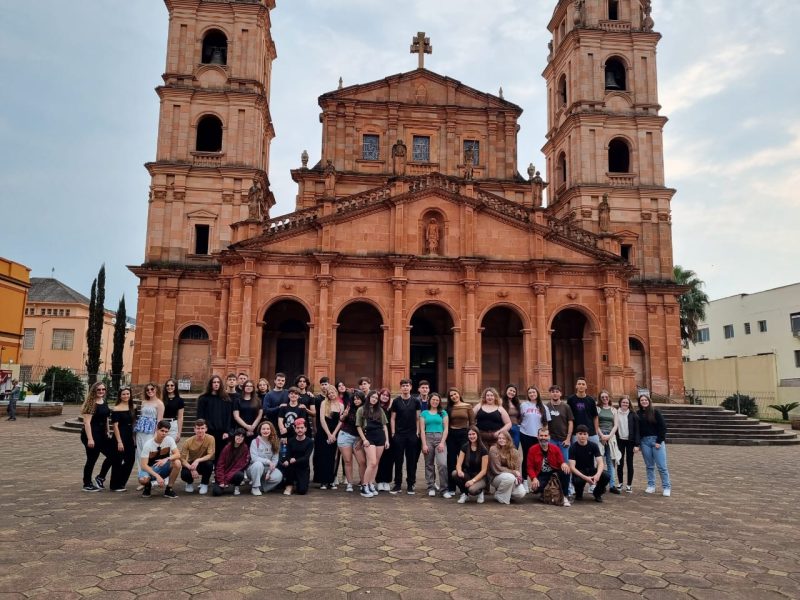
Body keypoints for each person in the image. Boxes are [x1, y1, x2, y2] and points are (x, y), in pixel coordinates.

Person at [79, 382, 114, 492]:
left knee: (113, 455)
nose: (101, 391)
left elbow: (106, 419)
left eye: (103, 389)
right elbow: (87, 423)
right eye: (98, 389)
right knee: (92, 459)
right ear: (94, 390)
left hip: (102, 434)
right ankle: (87, 484)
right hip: (91, 435)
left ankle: (100, 477)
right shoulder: (90, 404)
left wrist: (108, 431)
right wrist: (90, 439)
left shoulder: (104, 402)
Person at [356, 390, 390, 498]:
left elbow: (384, 426)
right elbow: (358, 426)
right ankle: (364, 486)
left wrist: (387, 440)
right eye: (373, 397)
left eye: (376, 398)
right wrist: (364, 439)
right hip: (368, 437)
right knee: (372, 462)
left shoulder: (380, 410)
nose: (374, 399)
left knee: (376, 463)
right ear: (369, 397)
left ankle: (371, 484)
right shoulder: (361, 409)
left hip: (380, 437)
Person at [390, 378, 421, 495]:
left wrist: (417, 432)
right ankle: (397, 484)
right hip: (399, 434)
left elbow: (418, 418)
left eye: (407, 385)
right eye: (403, 385)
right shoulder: (396, 401)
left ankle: (410, 484)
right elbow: (393, 418)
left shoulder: (416, 401)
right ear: (400, 388)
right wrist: (393, 432)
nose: (405, 387)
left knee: (411, 460)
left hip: (412, 434)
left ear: (411, 387)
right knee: (398, 460)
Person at [636, 394, 671, 496]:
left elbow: (663, 427)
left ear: (649, 401)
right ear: (639, 402)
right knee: (649, 466)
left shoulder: (655, 412)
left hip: (656, 441)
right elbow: (638, 429)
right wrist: (638, 444)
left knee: (662, 466)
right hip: (644, 442)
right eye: (642, 400)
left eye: (645, 400)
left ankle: (666, 487)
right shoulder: (637, 414)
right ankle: (651, 485)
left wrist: (659, 441)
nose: (644, 401)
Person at [526, 428, 572, 507]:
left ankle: (564, 496)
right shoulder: (532, 449)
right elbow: (530, 467)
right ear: (537, 437)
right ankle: (543, 493)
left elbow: (561, 461)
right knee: (535, 488)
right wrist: (533, 478)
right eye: (541, 436)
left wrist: (563, 464)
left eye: (545, 436)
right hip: (541, 475)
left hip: (554, 474)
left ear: (549, 437)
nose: (543, 438)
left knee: (566, 470)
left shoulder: (555, 448)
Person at [138, 419, 181, 498]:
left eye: (166, 431)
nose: (164, 433)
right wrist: (157, 476)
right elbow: (143, 465)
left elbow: (178, 454)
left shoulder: (170, 440)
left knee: (177, 462)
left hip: (163, 467)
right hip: (150, 469)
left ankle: (169, 489)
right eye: (162, 431)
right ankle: (147, 487)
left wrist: (167, 459)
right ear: (156, 430)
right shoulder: (148, 444)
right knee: (143, 480)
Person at [445, 388, 475, 499]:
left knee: (464, 462)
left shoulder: (467, 406)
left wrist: (471, 436)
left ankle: (464, 487)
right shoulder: (448, 408)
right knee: (451, 460)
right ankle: (451, 487)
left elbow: (472, 423)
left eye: (455, 394)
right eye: (451, 395)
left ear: (459, 394)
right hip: (452, 435)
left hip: (464, 434)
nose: (454, 396)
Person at [518, 386, 550, 488]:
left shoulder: (544, 407)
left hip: (538, 437)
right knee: (527, 457)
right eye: (530, 393)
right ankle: (524, 481)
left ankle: (536, 480)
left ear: (537, 393)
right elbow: (520, 419)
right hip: (525, 434)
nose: (532, 394)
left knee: (538, 458)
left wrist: (545, 435)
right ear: (528, 395)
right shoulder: (524, 405)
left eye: (534, 392)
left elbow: (546, 423)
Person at [569, 424, 610, 502]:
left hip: (591, 470)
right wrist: (585, 478)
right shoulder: (573, 448)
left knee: (606, 476)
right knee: (578, 481)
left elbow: (600, 462)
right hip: (579, 472)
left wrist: (597, 475)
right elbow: (572, 467)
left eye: (585, 434)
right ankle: (579, 493)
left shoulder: (593, 446)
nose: (582, 436)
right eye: (580, 434)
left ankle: (597, 493)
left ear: (588, 435)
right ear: (576, 435)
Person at [196, 375, 233, 459]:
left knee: (220, 455)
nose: (216, 384)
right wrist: (202, 430)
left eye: (218, 382)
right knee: (206, 455)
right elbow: (200, 416)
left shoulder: (226, 399)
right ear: (210, 384)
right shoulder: (203, 398)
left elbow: (228, 417)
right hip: (208, 431)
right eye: (214, 382)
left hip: (221, 432)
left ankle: (218, 471)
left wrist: (226, 431)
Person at [420, 392, 448, 497]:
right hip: (428, 438)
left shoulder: (443, 413)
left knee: (442, 464)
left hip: (440, 438)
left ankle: (444, 489)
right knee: (429, 464)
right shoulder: (424, 413)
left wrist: (442, 442)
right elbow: (422, 430)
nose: (435, 402)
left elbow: (446, 429)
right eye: (433, 400)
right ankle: (431, 487)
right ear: (429, 401)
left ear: (439, 401)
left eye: (437, 400)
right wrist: (424, 444)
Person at [108, 386, 137, 492]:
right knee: (117, 461)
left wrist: (134, 437)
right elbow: (115, 426)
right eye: (123, 394)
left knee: (130, 459)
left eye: (128, 394)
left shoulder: (133, 407)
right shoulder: (116, 409)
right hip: (119, 436)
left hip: (130, 435)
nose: (126, 396)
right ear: (120, 396)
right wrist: (119, 442)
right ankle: (114, 485)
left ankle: (121, 482)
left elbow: (134, 423)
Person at [338, 390, 367, 492]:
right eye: (354, 399)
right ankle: (350, 483)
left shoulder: (366, 410)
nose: (356, 401)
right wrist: (344, 415)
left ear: (362, 399)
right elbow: (341, 419)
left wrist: (361, 440)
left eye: (358, 399)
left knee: (362, 462)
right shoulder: (349, 408)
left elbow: (365, 427)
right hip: (345, 435)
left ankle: (364, 483)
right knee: (348, 461)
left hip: (358, 438)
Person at [452, 426, 489, 504]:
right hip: (468, 474)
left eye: (473, 434)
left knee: (472, 490)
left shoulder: (483, 450)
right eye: (469, 434)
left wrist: (473, 481)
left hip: (480, 477)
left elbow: (484, 471)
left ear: (477, 435)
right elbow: (458, 464)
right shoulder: (465, 447)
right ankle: (464, 494)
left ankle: (480, 492)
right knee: (454, 473)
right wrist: (459, 471)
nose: (471, 436)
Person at [488, 430, 526, 504]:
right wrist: (513, 472)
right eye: (499, 438)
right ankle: (499, 495)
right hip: (496, 477)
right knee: (510, 478)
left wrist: (516, 474)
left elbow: (517, 469)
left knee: (521, 493)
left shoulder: (515, 452)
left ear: (508, 439)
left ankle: (505, 494)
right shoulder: (493, 449)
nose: (501, 440)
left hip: (510, 478)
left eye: (503, 438)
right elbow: (497, 469)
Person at [316, 385, 343, 489]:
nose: (331, 394)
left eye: (333, 392)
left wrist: (334, 434)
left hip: (335, 433)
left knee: (334, 457)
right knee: (324, 456)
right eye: (329, 393)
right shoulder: (324, 403)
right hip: (324, 433)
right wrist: (328, 434)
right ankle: (324, 481)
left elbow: (341, 422)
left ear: (336, 393)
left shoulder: (341, 405)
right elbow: (322, 419)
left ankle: (332, 480)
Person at [179, 419, 215, 495]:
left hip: (203, 462)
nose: (200, 430)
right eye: (198, 428)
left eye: (202, 428)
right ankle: (189, 483)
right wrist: (191, 468)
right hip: (191, 463)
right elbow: (182, 459)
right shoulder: (188, 441)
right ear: (194, 429)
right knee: (184, 474)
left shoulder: (211, 438)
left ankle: (204, 483)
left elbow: (210, 454)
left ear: (206, 429)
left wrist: (198, 460)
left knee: (209, 464)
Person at [133, 383, 165, 470]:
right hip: (141, 430)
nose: (150, 391)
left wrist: (156, 434)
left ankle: (151, 476)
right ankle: (142, 474)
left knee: (149, 452)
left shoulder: (160, 403)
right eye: (147, 390)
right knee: (140, 453)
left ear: (156, 389)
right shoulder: (144, 402)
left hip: (151, 432)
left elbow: (159, 421)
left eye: (152, 389)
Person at [248, 420, 283, 495]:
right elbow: (254, 458)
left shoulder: (275, 442)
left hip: (268, 469)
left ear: (271, 430)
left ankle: (261, 487)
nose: (265, 431)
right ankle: (255, 487)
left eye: (268, 429)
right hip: (254, 468)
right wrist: (267, 461)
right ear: (260, 430)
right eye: (263, 429)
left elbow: (275, 460)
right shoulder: (255, 441)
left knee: (278, 476)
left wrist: (269, 472)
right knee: (258, 464)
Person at [597, 390, 621, 494]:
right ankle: (599, 485)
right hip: (600, 436)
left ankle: (612, 485)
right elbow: (596, 424)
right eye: (602, 397)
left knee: (610, 462)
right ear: (600, 398)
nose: (604, 398)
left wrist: (609, 436)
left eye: (606, 397)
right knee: (599, 462)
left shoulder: (613, 410)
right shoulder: (597, 409)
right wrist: (602, 436)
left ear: (609, 397)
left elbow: (615, 425)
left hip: (610, 437)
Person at [213, 428, 250, 496]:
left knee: (240, 475)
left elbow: (239, 466)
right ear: (234, 436)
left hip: (234, 474)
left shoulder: (245, 448)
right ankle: (222, 485)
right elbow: (220, 465)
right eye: (238, 435)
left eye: (242, 436)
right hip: (223, 474)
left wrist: (226, 480)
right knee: (216, 492)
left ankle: (236, 486)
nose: (240, 438)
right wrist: (221, 481)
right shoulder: (227, 447)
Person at [473, 387, 512, 451]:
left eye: (491, 395)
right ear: (485, 397)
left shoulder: (500, 408)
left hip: (495, 437)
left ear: (495, 397)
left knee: (494, 455)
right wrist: (474, 430)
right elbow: (471, 418)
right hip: (481, 436)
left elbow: (508, 423)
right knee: (483, 456)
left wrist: (500, 432)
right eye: (487, 395)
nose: (489, 397)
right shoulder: (478, 406)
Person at [282, 418, 314, 496]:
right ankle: (290, 485)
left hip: (303, 468)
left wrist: (295, 460)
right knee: (287, 465)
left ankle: (297, 483)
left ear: (305, 429)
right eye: (298, 428)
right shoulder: (291, 441)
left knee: (302, 491)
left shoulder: (310, 442)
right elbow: (287, 454)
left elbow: (306, 458)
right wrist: (287, 460)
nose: (300, 430)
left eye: (302, 428)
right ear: (295, 429)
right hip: (291, 467)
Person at [567, 377, 600, 449]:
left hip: (591, 433)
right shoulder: (570, 399)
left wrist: (596, 432)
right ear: (576, 386)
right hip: (576, 433)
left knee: (594, 456)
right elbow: (569, 418)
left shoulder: (591, 400)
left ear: (586, 386)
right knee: (577, 456)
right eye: (579, 384)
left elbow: (595, 417)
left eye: (583, 384)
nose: (581, 386)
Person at [616, 396, 639, 493]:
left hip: (630, 441)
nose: (625, 404)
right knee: (620, 463)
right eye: (623, 402)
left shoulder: (633, 414)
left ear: (629, 404)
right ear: (620, 403)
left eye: (627, 403)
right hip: (619, 441)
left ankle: (629, 485)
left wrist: (637, 444)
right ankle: (620, 483)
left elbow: (637, 430)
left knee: (630, 463)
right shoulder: (616, 413)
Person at [375, 388, 394, 491]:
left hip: (389, 436)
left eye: (387, 395)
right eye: (383, 395)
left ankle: (386, 481)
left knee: (388, 459)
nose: (385, 397)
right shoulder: (375, 406)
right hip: (377, 435)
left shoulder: (390, 408)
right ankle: (379, 481)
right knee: (378, 459)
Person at [162, 378, 185, 442]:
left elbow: (180, 418)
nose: (169, 387)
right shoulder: (161, 399)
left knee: (171, 448)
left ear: (175, 387)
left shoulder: (179, 400)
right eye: (167, 385)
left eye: (172, 385)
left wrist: (179, 433)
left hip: (172, 425)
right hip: (161, 424)